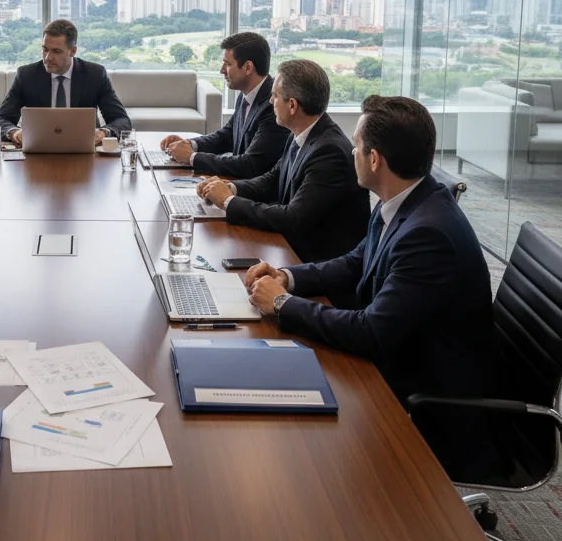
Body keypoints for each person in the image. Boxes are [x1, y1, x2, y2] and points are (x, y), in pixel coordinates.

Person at [243, 94, 493, 475]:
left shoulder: (429, 234)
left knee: (290, 445)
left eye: (357, 146)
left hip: (425, 395)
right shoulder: (404, 198)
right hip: (398, 358)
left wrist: (282, 305)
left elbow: (372, 332)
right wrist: (287, 278)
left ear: (375, 160)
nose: (351, 152)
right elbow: (355, 260)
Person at [196, 59, 369, 264]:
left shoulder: (329, 152)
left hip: (315, 264)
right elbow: (272, 180)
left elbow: (293, 218)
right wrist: (229, 188)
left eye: (275, 96)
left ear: (292, 105)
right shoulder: (302, 133)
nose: (270, 102)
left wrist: (228, 202)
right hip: (290, 248)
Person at [158, 31, 287, 178]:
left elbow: (252, 164)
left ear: (247, 67)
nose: (222, 70)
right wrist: (189, 145)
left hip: (252, 192)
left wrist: (192, 157)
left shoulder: (273, 106)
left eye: (227, 64)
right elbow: (226, 137)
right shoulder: (246, 96)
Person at [0, 18, 132, 146]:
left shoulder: (95, 75)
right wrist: (15, 132)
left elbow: (122, 120)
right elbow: (0, 119)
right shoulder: (27, 75)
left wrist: (103, 133)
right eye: (45, 49)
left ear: (73, 51)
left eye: (56, 51)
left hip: (83, 149)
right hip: (38, 148)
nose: (48, 57)